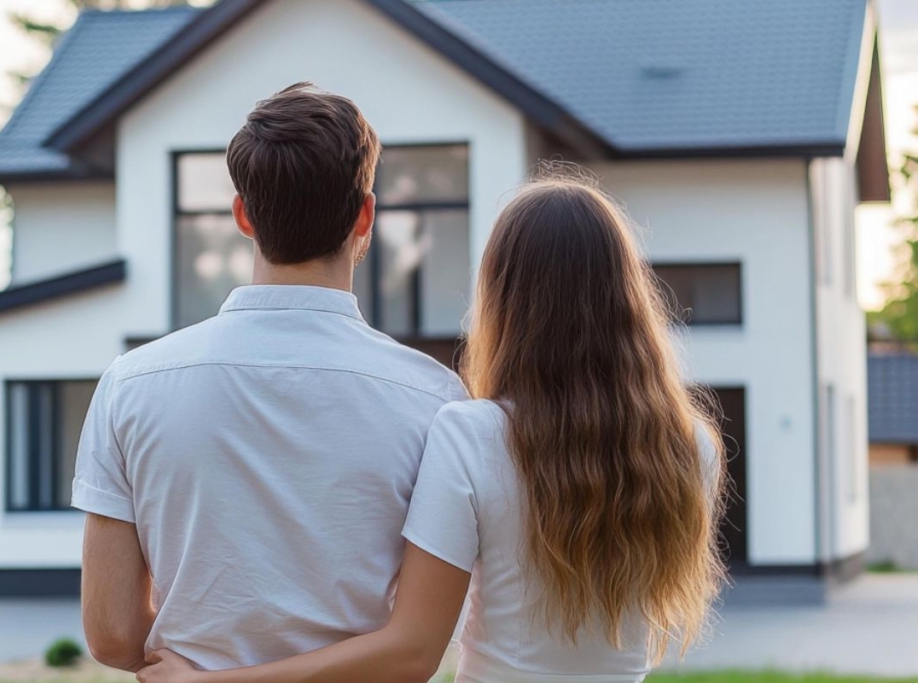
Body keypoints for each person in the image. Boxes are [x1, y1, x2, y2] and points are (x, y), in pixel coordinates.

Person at [136, 172, 727, 683]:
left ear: (504, 296)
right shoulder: (692, 446)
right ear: (628, 295)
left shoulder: (474, 435)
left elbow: (411, 650)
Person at [71, 82, 469, 673]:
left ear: (243, 215)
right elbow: (417, 649)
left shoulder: (131, 384)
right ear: (366, 215)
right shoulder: (436, 400)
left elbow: (111, 634)